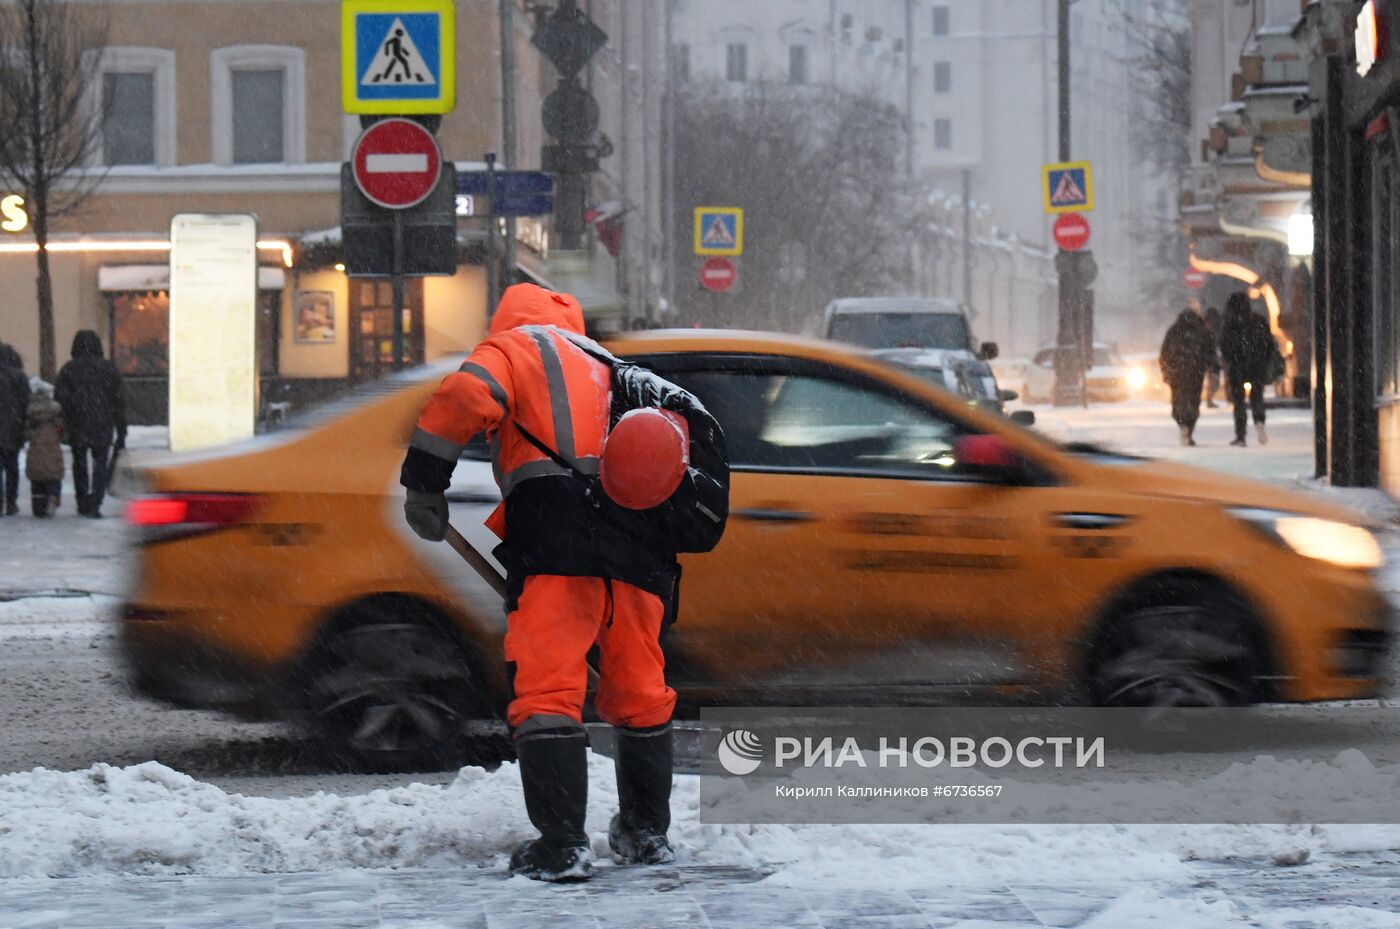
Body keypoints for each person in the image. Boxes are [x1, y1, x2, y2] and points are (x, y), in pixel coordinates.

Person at [399, 284, 694, 883]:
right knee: (640, 688)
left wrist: (424, 484)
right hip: (639, 552)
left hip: (560, 548)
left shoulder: (514, 349)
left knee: (548, 688)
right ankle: (646, 834)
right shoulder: (610, 366)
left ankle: (562, 845)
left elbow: (463, 397)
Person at [55, 331, 126, 517]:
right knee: (100, 463)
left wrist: (65, 420)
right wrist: (121, 430)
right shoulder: (109, 369)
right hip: (103, 423)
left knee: (79, 463)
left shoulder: (69, 369)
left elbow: (59, 400)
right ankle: (96, 501)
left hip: (77, 423)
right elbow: (119, 401)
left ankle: (82, 500)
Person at [1219, 292, 1274, 447]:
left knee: (1239, 402)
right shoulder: (1259, 321)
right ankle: (1259, 422)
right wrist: (1263, 361)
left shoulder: (1230, 324)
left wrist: (1231, 360)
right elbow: (1269, 344)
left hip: (1237, 368)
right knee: (1257, 398)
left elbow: (1224, 346)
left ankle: (1241, 436)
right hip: (1257, 367)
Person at [1158, 306, 1214, 446]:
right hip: (1196, 372)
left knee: (1178, 400)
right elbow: (1210, 351)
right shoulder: (1202, 331)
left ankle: (1182, 423)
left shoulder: (1174, 330)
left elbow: (1164, 352)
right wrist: (1209, 366)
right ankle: (1189, 429)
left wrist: (1165, 370)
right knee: (1194, 401)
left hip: (1176, 373)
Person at [0, 343, 31, 517]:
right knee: (12, 467)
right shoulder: (19, 377)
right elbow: (26, 402)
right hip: (13, 427)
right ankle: (11, 502)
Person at [25, 381, 64, 517]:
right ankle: (53, 495)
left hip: (36, 451)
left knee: (37, 480)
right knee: (54, 477)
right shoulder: (55, 413)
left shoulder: (31, 415)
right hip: (53, 450)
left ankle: (38, 504)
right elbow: (62, 432)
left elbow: (27, 433)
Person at [1202, 306, 1224, 408]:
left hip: (1207, 358)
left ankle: (1209, 399)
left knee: (1213, 380)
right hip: (1212, 358)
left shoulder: (1203, 328)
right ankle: (1209, 399)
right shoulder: (1217, 328)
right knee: (1214, 381)